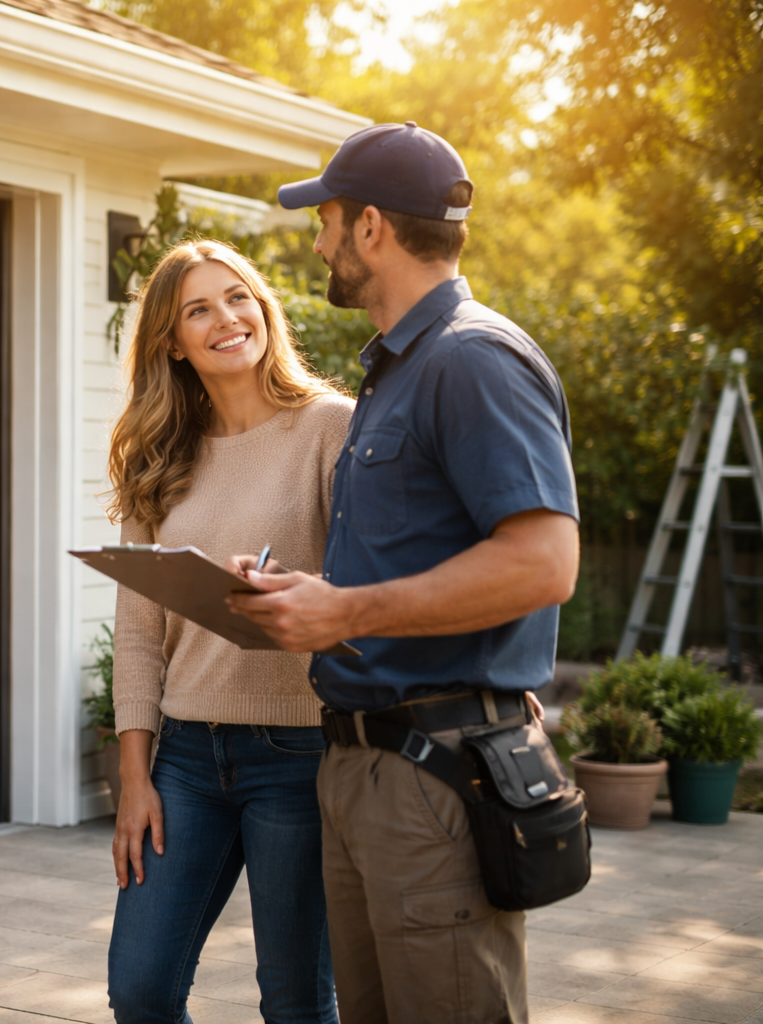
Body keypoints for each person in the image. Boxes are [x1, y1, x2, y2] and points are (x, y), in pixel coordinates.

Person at [224, 122, 580, 1023]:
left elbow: (545, 563)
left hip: (433, 775)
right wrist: (298, 596)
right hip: (361, 767)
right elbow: (410, 555)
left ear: (371, 227)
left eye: (327, 220)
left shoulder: (470, 360)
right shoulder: (398, 370)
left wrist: (344, 611)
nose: (317, 241)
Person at [105, 238, 353, 1024]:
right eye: (198, 310)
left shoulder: (331, 428)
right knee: (140, 991)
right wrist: (134, 778)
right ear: (171, 344)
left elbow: (369, 591)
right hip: (182, 760)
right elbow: (141, 633)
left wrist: (289, 592)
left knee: (294, 1002)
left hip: (300, 754)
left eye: (238, 296)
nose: (226, 319)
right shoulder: (160, 457)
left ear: (264, 308)